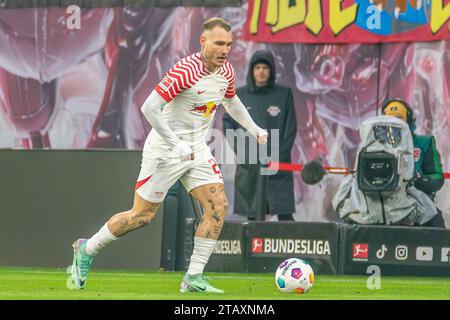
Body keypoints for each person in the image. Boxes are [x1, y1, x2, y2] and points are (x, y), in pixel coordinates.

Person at [69, 17, 268, 293]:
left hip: (197, 149)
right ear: (204, 41)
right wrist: (175, 144)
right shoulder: (185, 71)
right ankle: (86, 249)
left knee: (218, 207)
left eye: (229, 44)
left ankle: (193, 277)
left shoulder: (227, 72)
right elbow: (149, 108)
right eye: (219, 43)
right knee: (141, 216)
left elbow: (231, 101)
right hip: (165, 149)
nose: (225, 49)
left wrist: (254, 128)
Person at [223, 50, 297, 221]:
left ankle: (289, 247)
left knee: (285, 216)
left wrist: (278, 156)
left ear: (271, 71)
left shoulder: (283, 95)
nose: (261, 71)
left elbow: (290, 129)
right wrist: (245, 154)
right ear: (252, 70)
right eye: (257, 67)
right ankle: (252, 248)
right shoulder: (239, 96)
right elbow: (228, 125)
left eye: (265, 67)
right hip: (250, 166)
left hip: (277, 163)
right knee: (254, 217)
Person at [382, 99, 446, 228]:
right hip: (384, 206)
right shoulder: (375, 147)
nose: (395, 124)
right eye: (390, 120)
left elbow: (437, 177)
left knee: (437, 222)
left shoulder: (424, 143)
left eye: (399, 119)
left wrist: (419, 180)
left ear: (409, 120)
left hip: (419, 205)